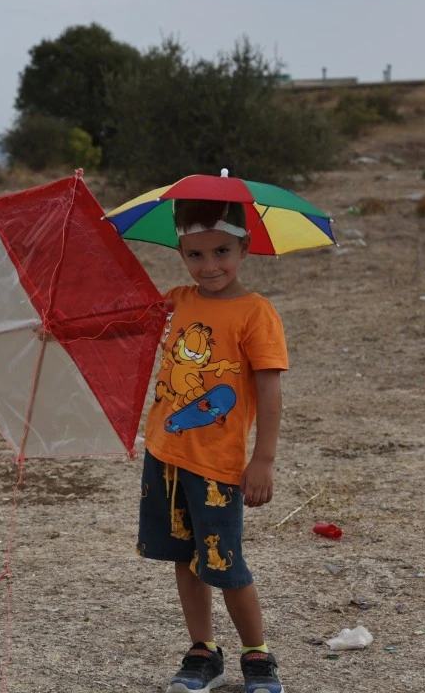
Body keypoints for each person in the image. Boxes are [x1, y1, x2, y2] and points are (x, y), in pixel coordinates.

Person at [136, 198, 288, 693]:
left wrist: (261, 459)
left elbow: (269, 388)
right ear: (180, 252)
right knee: (185, 557)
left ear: (244, 247)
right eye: (194, 255)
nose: (209, 266)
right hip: (165, 454)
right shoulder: (176, 301)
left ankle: (256, 654)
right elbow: (124, 328)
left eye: (221, 251)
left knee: (225, 563)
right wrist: (58, 331)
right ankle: (204, 651)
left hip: (218, 466)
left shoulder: (256, 312)